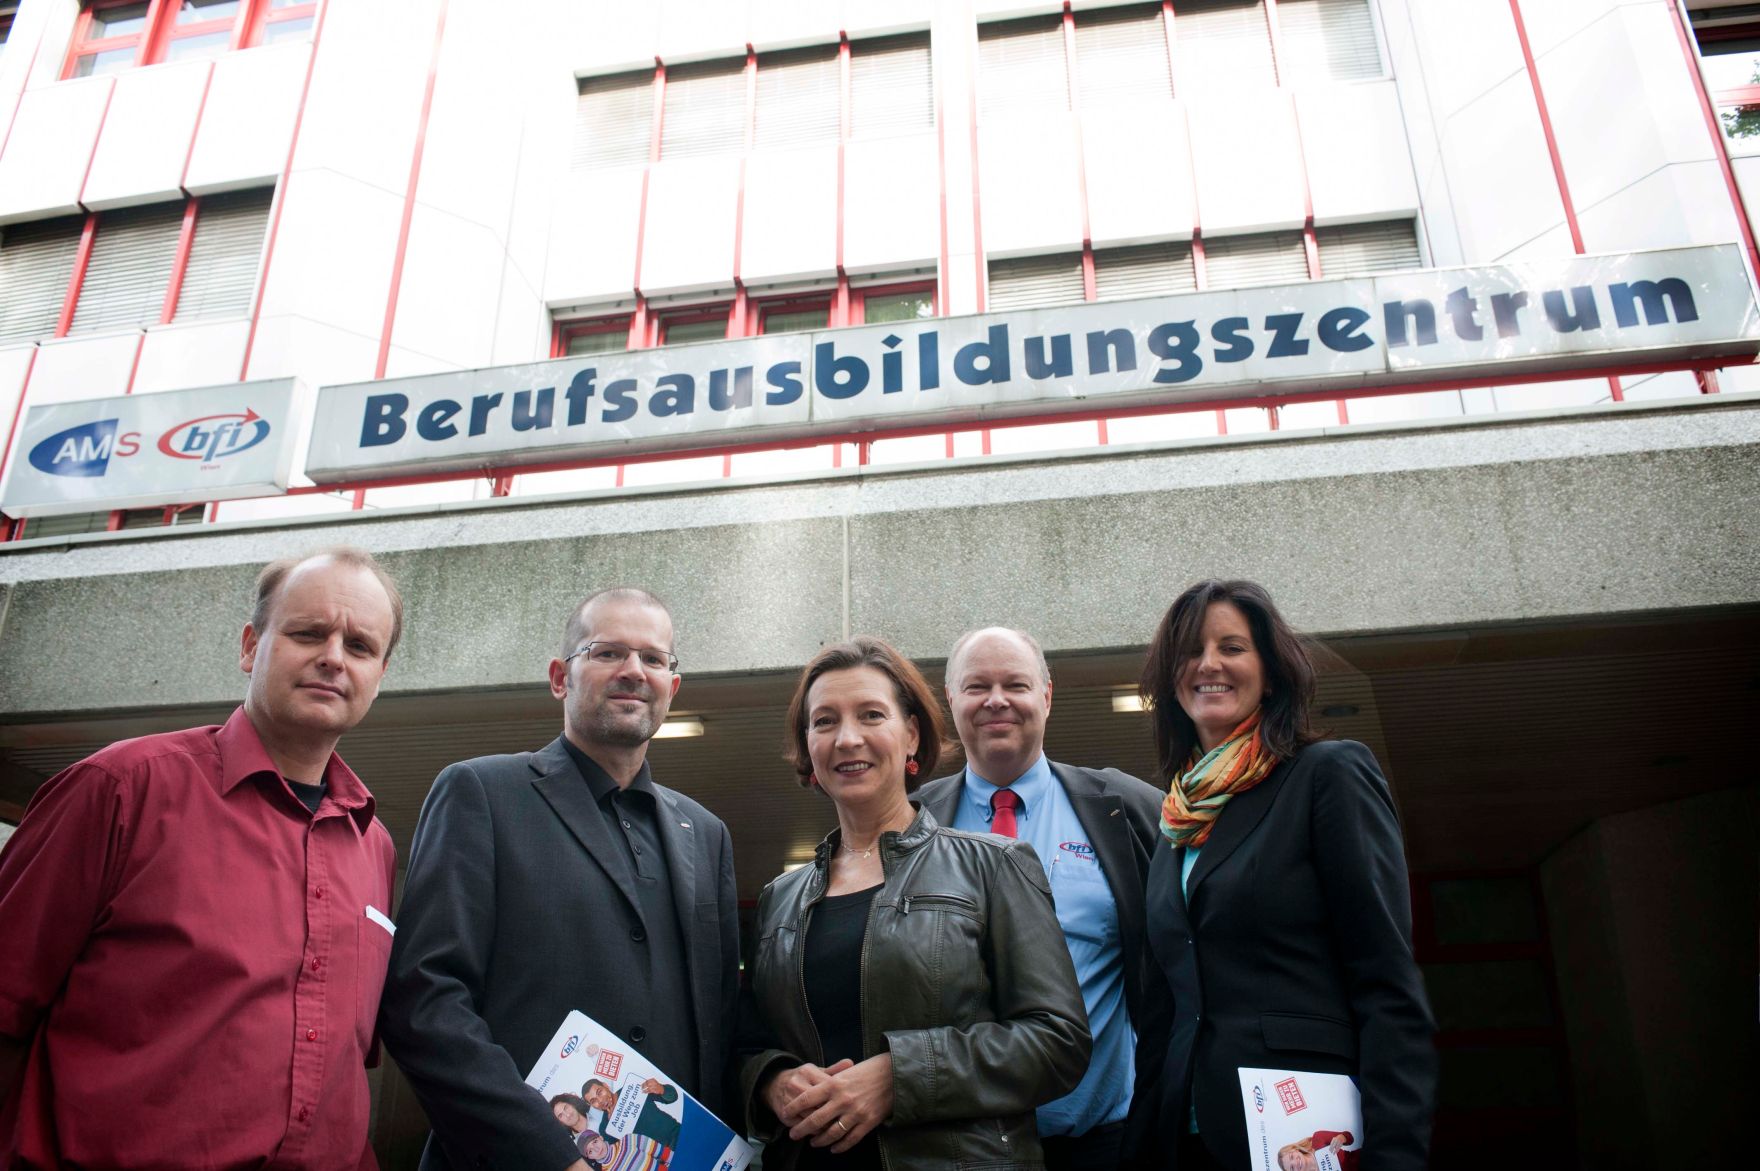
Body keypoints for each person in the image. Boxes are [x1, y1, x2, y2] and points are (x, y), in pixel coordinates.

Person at [0, 546, 404, 1168]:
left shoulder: (372, 843)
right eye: (307, 633)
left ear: (380, 674)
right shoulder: (121, 789)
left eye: (359, 646)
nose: (332, 657)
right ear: (250, 645)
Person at [380, 587, 739, 1171]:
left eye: (653, 659)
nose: (633, 671)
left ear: (672, 688)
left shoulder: (706, 832)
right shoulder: (481, 793)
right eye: (606, 653)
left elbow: (719, 1024)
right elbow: (425, 1000)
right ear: (558, 677)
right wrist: (549, 1154)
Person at [740, 636, 1092, 1170]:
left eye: (871, 715)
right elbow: (747, 1042)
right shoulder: (778, 900)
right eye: (825, 721)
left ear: (911, 735)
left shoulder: (995, 865)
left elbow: (1057, 1042)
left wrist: (900, 1077)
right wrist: (771, 1081)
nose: (848, 738)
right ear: (807, 747)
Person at [1126, 580, 1437, 1170]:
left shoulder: (1327, 775)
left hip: (1305, 1136)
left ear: (1271, 672)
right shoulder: (1177, 819)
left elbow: (1386, 983)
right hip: (1183, 1140)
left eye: (1232, 647)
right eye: (1190, 651)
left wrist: (1396, 1156)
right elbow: (1163, 1011)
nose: (1208, 664)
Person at [917, 626, 1165, 1171]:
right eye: (977, 686)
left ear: (1047, 696)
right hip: (958, 1148)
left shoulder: (1127, 811)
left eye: (1016, 684)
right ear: (951, 700)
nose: (997, 700)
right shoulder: (911, 822)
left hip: (1102, 1145)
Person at [583, 1076, 682, 1148]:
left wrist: (661, 1089)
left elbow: (673, 1097)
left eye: (599, 1092)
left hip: (678, 1134)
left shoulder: (633, 1088)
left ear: (605, 1086)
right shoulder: (605, 1129)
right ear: (592, 1106)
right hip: (660, 1159)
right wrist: (614, 1126)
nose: (600, 1101)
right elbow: (624, 1155)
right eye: (593, 1101)